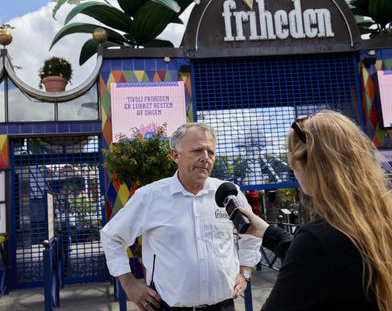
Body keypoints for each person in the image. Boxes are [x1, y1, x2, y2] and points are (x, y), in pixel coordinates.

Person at [240, 110, 392, 311]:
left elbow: (319, 255)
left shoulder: (318, 240)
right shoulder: (380, 222)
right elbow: (328, 260)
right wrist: (267, 232)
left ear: (306, 165)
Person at [100, 122, 261, 311]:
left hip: (223, 305)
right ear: (175, 155)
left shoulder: (229, 194)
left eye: (211, 152)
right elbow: (112, 236)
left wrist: (245, 272)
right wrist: (128, 284)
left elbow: (252, 234)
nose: (205, 158)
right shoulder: (150, 197)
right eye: (197, 150)